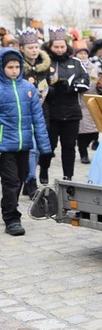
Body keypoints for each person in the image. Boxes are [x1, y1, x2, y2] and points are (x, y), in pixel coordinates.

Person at [0, 48, 52, 236]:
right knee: (11, 181)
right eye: (9, 67)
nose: (14, 70)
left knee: (21, 178)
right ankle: (12, 218)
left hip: (25, 145)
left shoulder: (28, 88)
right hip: (4, 145)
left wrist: (44, 146)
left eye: (16, 66)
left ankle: (7, 203)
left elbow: (38, 118)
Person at [39, 28, 90, 183]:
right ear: (50, 47)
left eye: (62, 46)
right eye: (56, 47)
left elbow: (85, 80)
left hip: (71, 111)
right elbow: (40, 85)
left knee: (69, 146)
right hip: (51, 112)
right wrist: (51, 90)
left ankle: (68, 176)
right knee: (49, 146)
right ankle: (44, 171)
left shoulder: (75, 62)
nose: (59, 50)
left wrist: (72, 87)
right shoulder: (45, 63)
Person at [17, 28, 50, 198]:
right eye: (30, 47)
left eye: (36, 47)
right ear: (22, 48)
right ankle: (30, 181)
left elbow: (48, 83)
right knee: (31, 149)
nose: (34, 50)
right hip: (22, 112)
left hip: (40, 110)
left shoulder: (44, 66)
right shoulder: (16, 66)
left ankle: (28, 179)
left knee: (37, 150)